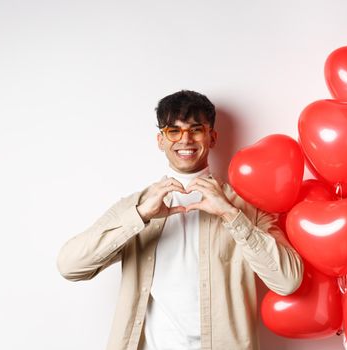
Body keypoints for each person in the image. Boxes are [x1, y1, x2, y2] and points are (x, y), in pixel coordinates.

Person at [57, 90, 304, 350]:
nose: (185, 139)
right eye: (173, 131)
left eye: (196, 129)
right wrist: (140, 216)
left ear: (212, 137)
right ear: (161, 140)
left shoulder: (246, 207)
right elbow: (70, 266)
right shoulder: (137, 206)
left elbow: (288, 282)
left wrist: (231, 215)